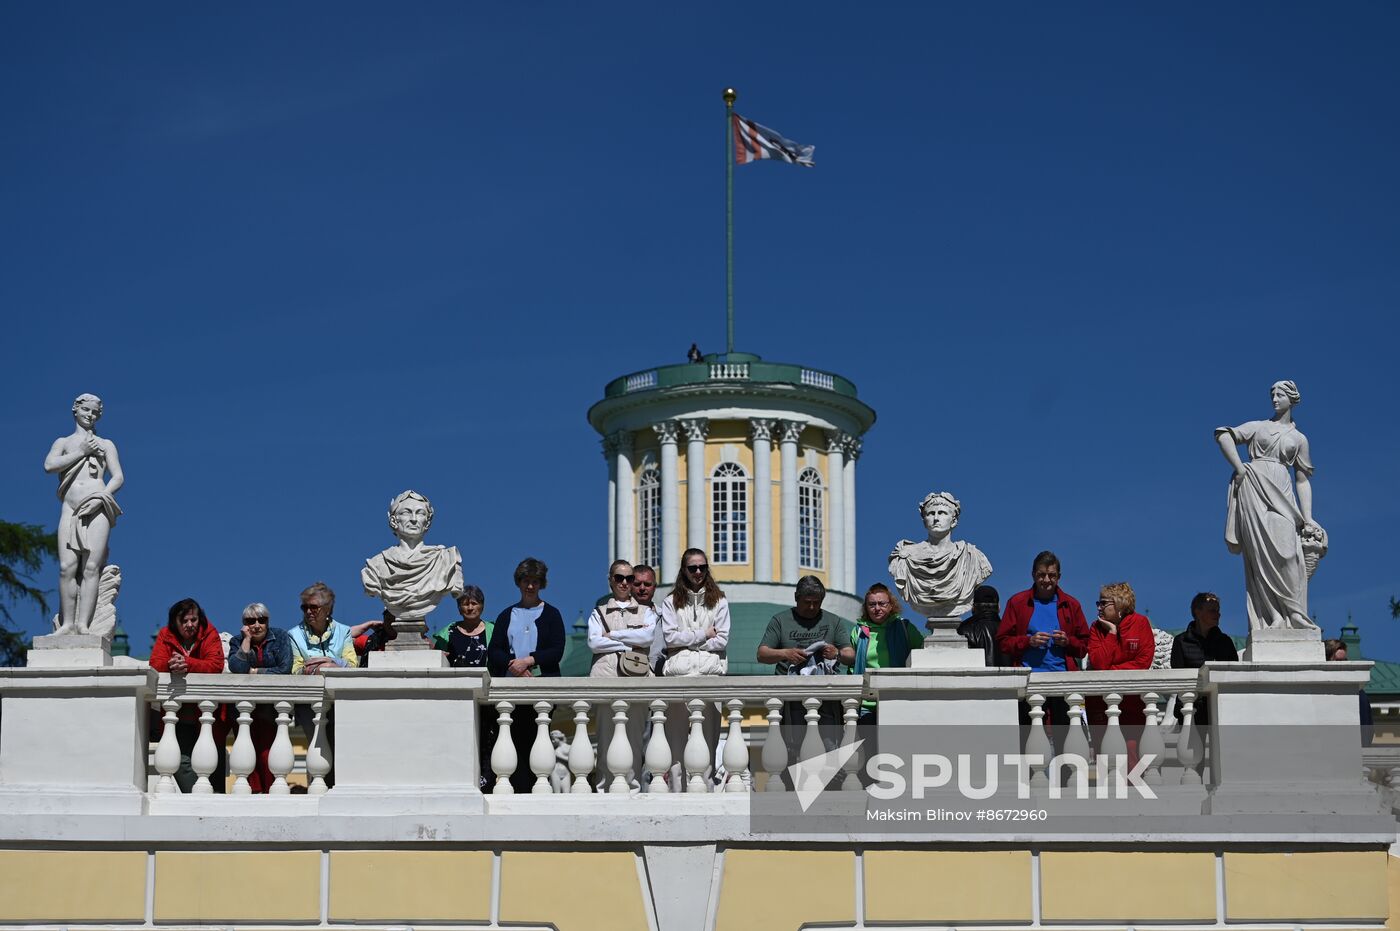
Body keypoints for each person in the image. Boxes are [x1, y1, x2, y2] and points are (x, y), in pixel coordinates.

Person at [1216, 380, 1326, 630]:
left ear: (1292, 398)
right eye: (1272, 395)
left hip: (1283, 493)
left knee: (1289, 554)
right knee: (1259, 555)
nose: (1275, 399)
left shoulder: (1299, 439)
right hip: (1253, 487)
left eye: (1280, 395)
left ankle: (1295, 613)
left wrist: (1308, 518)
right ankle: (1273, 617)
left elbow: (1302, 480)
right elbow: (1223, 435)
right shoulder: (1258, 427)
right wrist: (1239, 468)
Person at [43, 393, 124, 634]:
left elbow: (118, 476)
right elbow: (49, 466)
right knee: (67, 567)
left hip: (97, 505)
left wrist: (101, 497)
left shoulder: (106, 444)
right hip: (69, 507)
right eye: (86, 410)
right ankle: (67, 623)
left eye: (95, 413)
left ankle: (83, 624)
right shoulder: (64, 442)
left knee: (91, 567)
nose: (90, 415)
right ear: (75, 410)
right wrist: (82, 451)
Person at [487, 557, 565, 792]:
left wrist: (530, 661)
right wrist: (515, 667)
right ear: (518, 583)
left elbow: (556, 649)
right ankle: (516, 789)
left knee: (538, 739)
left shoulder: (551, 614)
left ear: (541, 583)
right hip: (512, 691)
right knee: (513, 740)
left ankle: (537, 789)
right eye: (525, 581)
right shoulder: (506, 615)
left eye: (535, 581)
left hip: (542, 688)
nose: (530, 586)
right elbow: (495, 651)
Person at [996, 551, 1091, 740]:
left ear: (1059, 577)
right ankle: (1028, 771)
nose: (1046, 580)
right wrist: (1027, 641)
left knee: (1066, 738)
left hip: (1062, 681)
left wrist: (1067, 641)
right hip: (1028, 681)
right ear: (1033, 575)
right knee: (1028, 739)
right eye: (1041, 575)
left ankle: (1065, 771)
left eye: (1051, 575)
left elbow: (1084, 646)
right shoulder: (1017, 603)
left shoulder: (1071, 605)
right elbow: (1002, 641)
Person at [758, 575, 855, 757]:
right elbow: (762, 653)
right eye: (807, 602)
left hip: (826, 700)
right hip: (791, 700)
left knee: (829, 749)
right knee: (793, 750)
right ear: (796, 597)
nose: (812, 607)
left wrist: (837, 653)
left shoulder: (833, 621)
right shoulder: (780, 620)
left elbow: (850, 655)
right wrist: (785, 653)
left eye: (816, 603)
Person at [660, 548, 731, 787]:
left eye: (702, 567)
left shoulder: (720, 601)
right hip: (679, 677)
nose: (698, 572)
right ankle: (677, 794)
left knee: (708, 747)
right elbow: (670, 639)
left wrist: (687, 640)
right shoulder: (670, 602)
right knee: (675, 749)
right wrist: (703, 634)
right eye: (693, 568)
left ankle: (707, 795)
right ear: (684, 570)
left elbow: (721, 640)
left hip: (710, 676)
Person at [588, 560, 657, 789]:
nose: (625, 583)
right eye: (619, 578)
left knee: (635, 741)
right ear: (610, 580)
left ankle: (634, 790)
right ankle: (604, 791)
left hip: (636, 681)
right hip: (606, 680)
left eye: (629, 578)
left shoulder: (646, 612)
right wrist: (629, 642)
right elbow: (594, 642)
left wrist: (613, 635)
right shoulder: (599, 611)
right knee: (606, 741)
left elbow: (647, 639)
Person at [150, 598, 228, 793]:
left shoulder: (209, 632)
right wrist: (171, 664)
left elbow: (215, 664)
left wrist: (188, 664)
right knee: (179, 760)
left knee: (213, 765)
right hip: (178, 715)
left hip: (210, 716)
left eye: (193, 620)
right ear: (175, 622)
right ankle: (201, 799)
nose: (189, 625)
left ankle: (214, 802)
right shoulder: (165, 635)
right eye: (184, 620)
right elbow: (155, 663)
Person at [287, 582, 357, 786]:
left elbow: (352, 664)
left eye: (313, 607)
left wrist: (327, 663)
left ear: (327, 609)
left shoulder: (343, 632)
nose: (308, 611)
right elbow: (296, 669)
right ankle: (318, 789)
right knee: (317, 747)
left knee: (340, 748)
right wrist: (330, 666)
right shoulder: (294, 634)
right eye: (304, 607)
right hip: (309, 706)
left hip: (339, 703)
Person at [887, 491, 993, 620]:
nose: (936, 518)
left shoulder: (971, 556)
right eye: (931, 513)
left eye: (942, 513)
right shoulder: (906, 555)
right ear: (924, 520)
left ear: (953, 521)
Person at [225, 602, 293, 793]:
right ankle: (253, 794)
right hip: (243, 710)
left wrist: (254, 671)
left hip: (272, 709)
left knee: (267, 755)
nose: (256, 625)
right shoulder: (237, 641)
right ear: (244, 623)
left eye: (261, 620)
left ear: (268, 621)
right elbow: (236, 668)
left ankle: (271, 794)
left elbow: (284, 669)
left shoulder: (279, 636)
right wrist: (246, 641)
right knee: (247, 754)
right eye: (250, 621)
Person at [434, 586, 495, 789]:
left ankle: (487, 782)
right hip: (457, 698)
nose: (470, 607)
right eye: (465, 603)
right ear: (459, 608)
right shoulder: (448, 632)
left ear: (482, 606)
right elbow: (436, 659)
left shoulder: (492, 630)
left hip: (487, 697)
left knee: (488, 739)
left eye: (474, 603)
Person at [1086, 582, 1154, 762]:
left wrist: (1111, 670)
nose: (1099, 607)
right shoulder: (1096, 627)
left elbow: (1142, 663)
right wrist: (1111, 632)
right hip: (1099, 702)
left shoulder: (1140, 623)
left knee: (1132, 751)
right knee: (1104, 755)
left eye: (1103, 603)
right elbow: (1099, 663)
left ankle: (1132, 789)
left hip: (1132, 702)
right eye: (1098, 603)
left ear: (1119, 604)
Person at [850, 583, 923, 725]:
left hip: (897, 699)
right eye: (872, 604)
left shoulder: (905, 628)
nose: (877, 608)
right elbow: (852, 665)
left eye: (882, 604)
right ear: (866, 607)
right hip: (866, 704)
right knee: (868, 746)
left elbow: (924, 651)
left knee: (895, 746)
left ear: (891, 605)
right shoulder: (858, 631)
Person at [1170, 593, 1238, 726]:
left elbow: (1233, 675)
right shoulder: (1181, 641)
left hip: (1220, 706)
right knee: (1192, 747)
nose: (1218, 614)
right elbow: (1178, 677)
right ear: (1198, 611)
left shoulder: (1225, 642)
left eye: (1218, 611)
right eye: (1212, 610)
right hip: (1191, 706)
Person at [1325, 639, 1373, 747]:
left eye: (1344, 660)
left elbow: (1366, 732)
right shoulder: (1316, 691)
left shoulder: (1358, 694)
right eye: (1337, 661)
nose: (1342, 665)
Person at [958, 584, 1007, 667]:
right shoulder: (1010, 630)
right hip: (1010, 679)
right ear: (998, 607)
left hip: (977, 679)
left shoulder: (963, 631)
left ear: (973, 607)